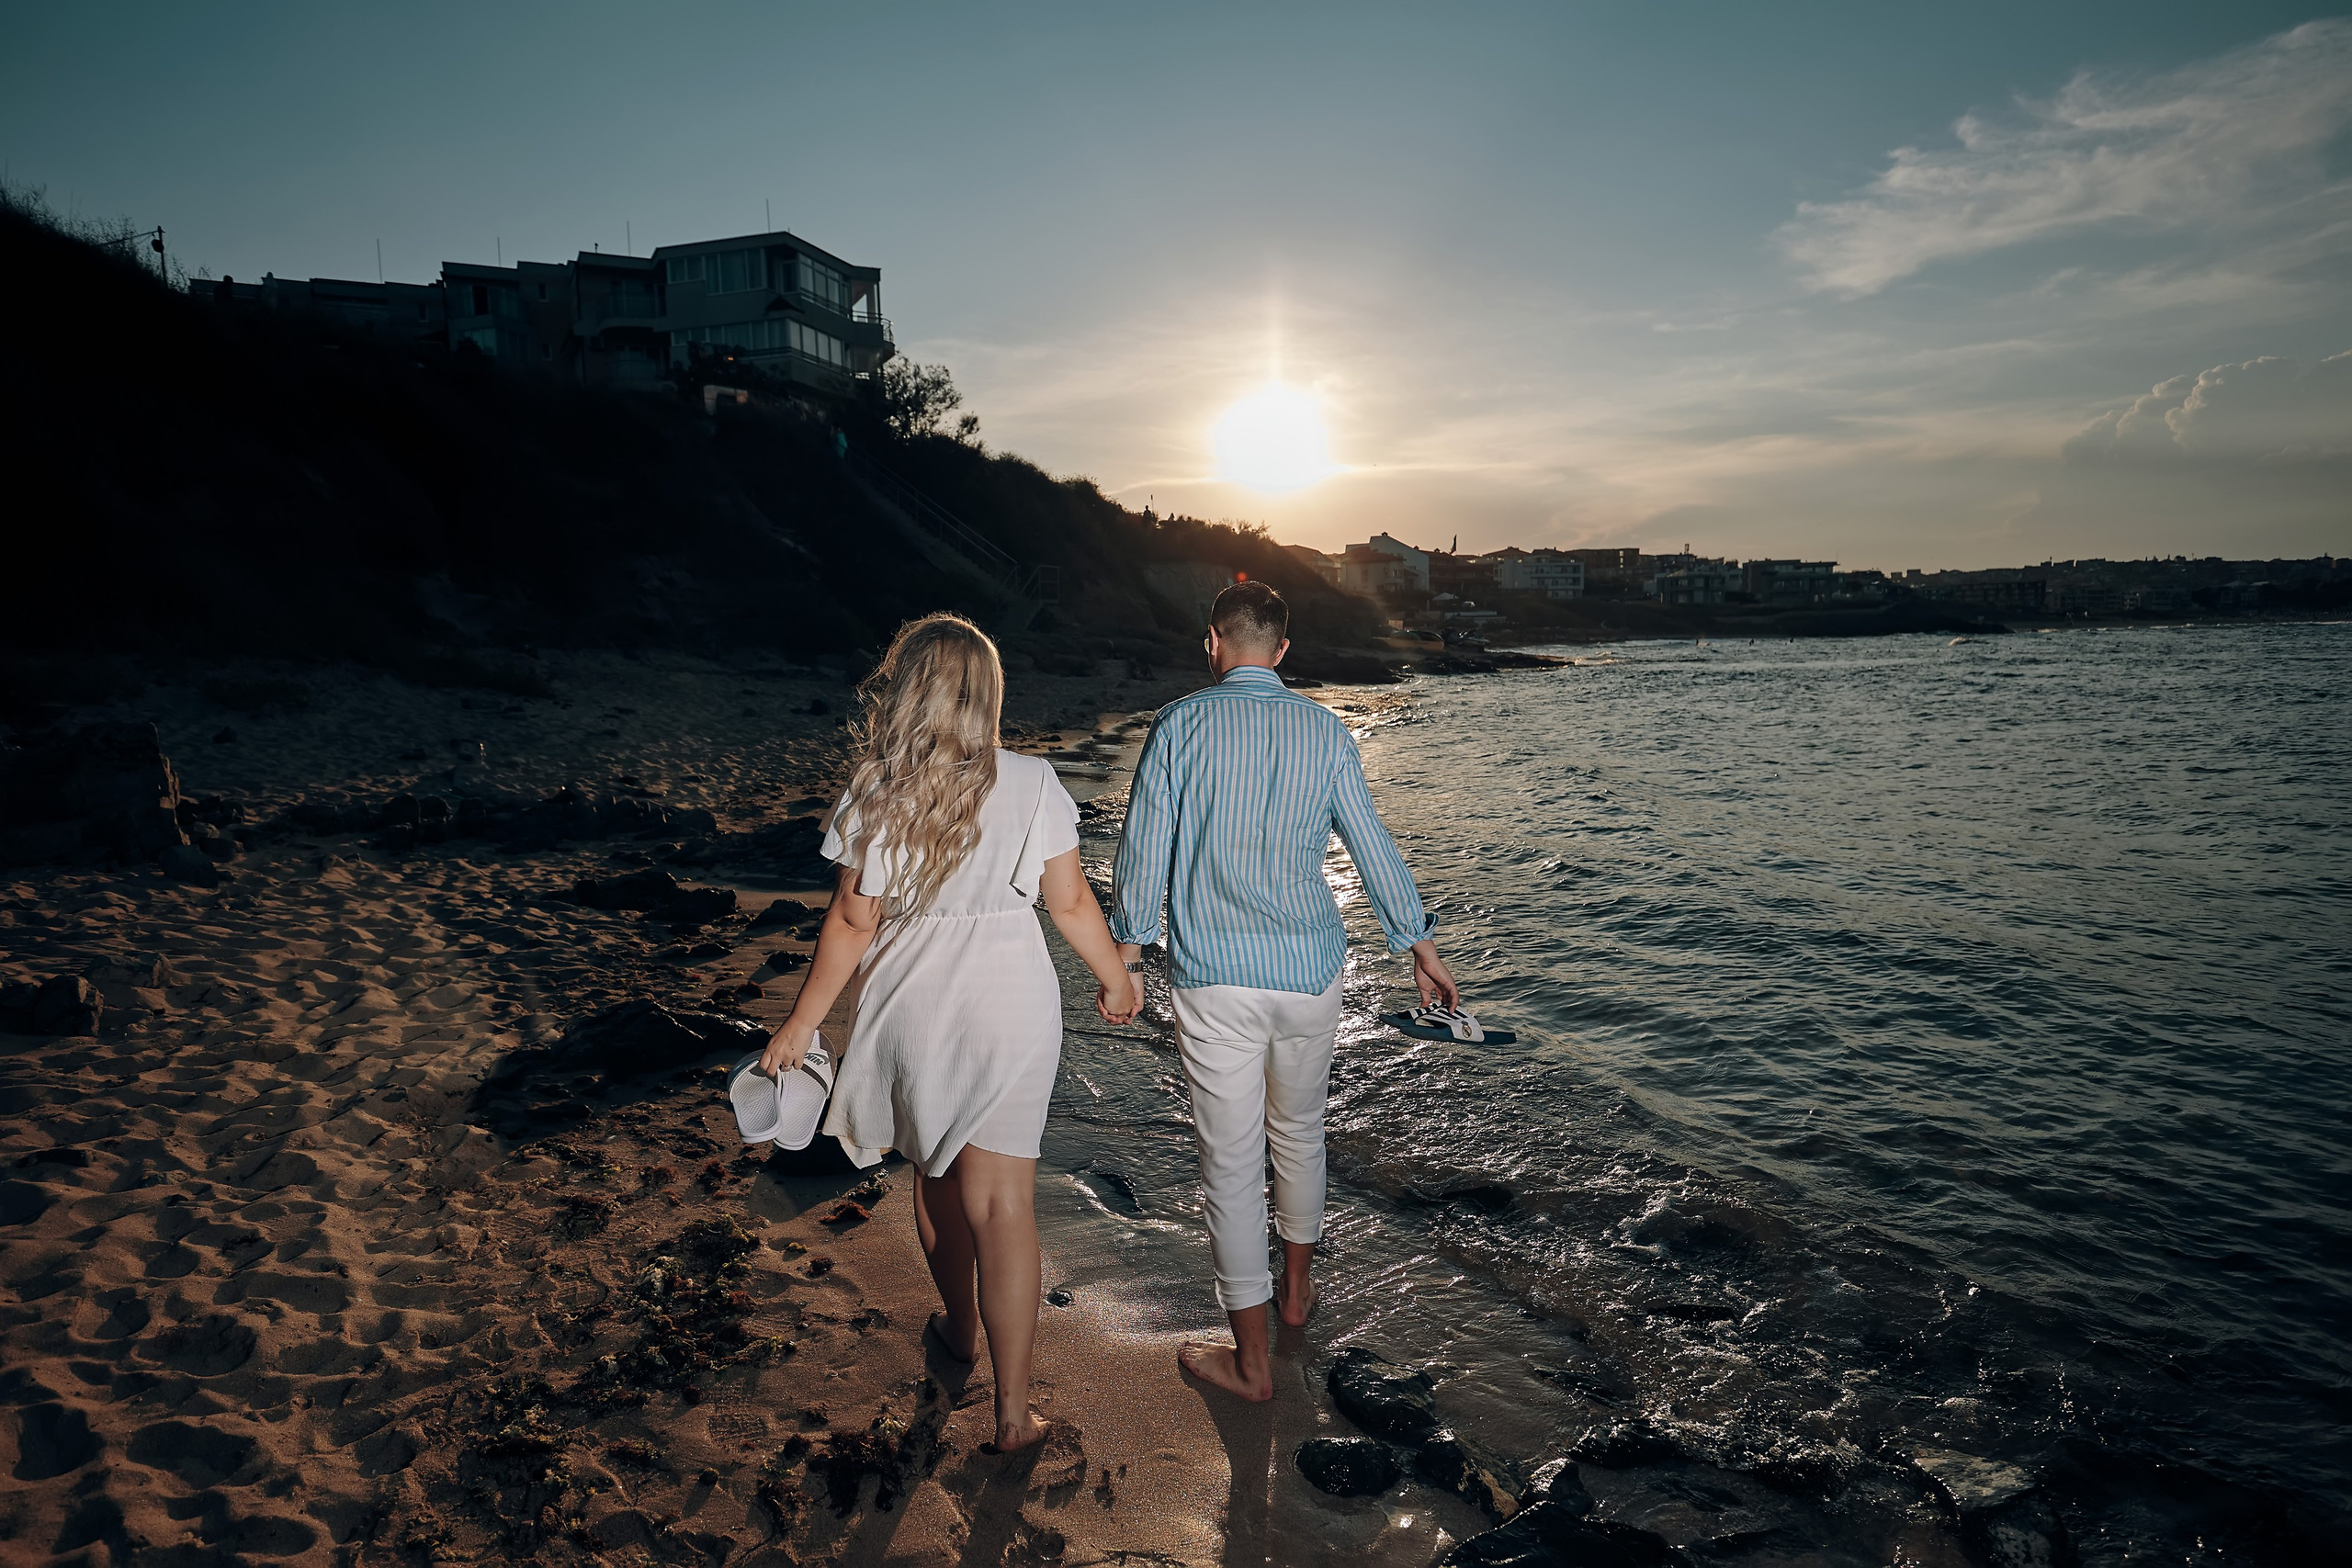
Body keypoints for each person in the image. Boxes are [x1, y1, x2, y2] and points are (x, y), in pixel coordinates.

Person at [760, 613, 1142, 1452]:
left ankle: (960, 1332)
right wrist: (1117, 976)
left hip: (913, 1004)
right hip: (1010, 1003)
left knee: (936, 1177)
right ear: (988, 695)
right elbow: (1071, 903)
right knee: (1004, 1203)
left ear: (908, 691)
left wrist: (801, 1021)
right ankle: (1012, 1415)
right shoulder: (1035, 781)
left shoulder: (874, 786)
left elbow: (853, 922)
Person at [1110, 581, 1460, 1402]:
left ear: (1213, 642)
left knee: (1231, 1165)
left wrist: (1125, 951)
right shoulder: (1324, 729)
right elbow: (1370, 840)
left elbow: (1145, 847)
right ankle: (1298, 1293)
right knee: (1299, 1132)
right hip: (1310, 971)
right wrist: (1419, 944)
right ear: (1283, 650)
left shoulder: (1180, 725)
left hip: (1218, 974)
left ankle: (1253, 1362)